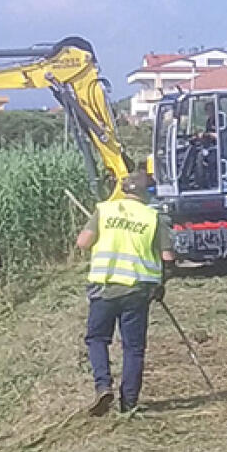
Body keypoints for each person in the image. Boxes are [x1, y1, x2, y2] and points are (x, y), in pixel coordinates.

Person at [75, 171, 175, 416]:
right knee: (133, 347)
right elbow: (168, 257)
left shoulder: (106, 211)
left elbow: (83, 242)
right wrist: (162, 283)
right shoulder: (154, 218)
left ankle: (102, 385)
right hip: (137, 291)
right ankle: (128, 403)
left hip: (104, 287)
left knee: (97, 339)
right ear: (147, 193)